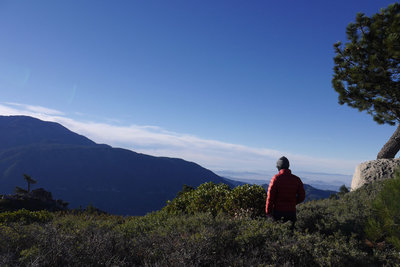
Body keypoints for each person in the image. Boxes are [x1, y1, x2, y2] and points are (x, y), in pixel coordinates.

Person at [265, 156, 305, 229]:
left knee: (278, 234)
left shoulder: (276, 178)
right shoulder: (296, 179)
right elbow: (302, 196)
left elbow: (270, 198)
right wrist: (292, 203)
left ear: (279, 167)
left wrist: (268, 212)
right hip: (291, 212)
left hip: (278, 212)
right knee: (290, 234)